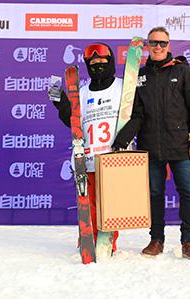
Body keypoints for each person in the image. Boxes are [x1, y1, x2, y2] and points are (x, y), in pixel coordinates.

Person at [112, 26, 190, 261]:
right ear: (147, 46)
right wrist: (122, 138)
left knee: (188, 193)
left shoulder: (184, 72)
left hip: (181, 146)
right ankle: (156, 239)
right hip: (150, 147)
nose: (158, 47)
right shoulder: (139, 76)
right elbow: (136, 114)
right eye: (153, 43)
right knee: (154, 194)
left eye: (162, 43)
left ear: (169, 46)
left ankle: (188, 241)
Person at [51, 42, 121, 252]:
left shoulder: (122, 87)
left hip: (113, 157)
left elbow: (135, 116)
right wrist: (61, 103)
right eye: (93, 62)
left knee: (110, 205)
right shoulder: (81, 92)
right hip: (86, 157)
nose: (98, 65)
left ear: (110, 62)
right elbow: (74, 123)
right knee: (88, 203)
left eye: (102, 61)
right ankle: (87, 239)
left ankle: (108, 242)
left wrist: (122, 141)